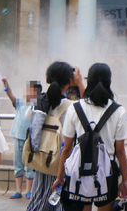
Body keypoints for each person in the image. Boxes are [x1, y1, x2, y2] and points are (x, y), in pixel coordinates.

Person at [53, 63, 127, 211]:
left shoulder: (74, 108)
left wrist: (60, 176)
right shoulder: (119, 111)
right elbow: (120, 150)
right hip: (108, 172)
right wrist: (125, 180)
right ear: (110, 82)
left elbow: (67, 148)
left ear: (87, 81)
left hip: (80, 170)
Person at [25, 62, 78, 211]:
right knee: (58, 202)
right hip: (60, 162)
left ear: (47, 80)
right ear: (69, 82)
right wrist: (78, 85)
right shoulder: (72, 107)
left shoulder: (40, 101)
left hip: (41, 158)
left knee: (38, 198)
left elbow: (27, 115)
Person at [5, 77, 38, 198]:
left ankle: (28, 190)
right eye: (26, 90)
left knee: (29, 164)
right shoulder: (19, 102)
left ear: (36, 93)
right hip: (18, 136)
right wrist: (6, 84)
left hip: (30, 139)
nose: (27, 93)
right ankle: (18, 190)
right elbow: (10, 94)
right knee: (18, 164)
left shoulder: (37, 105)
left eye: (30, 91)